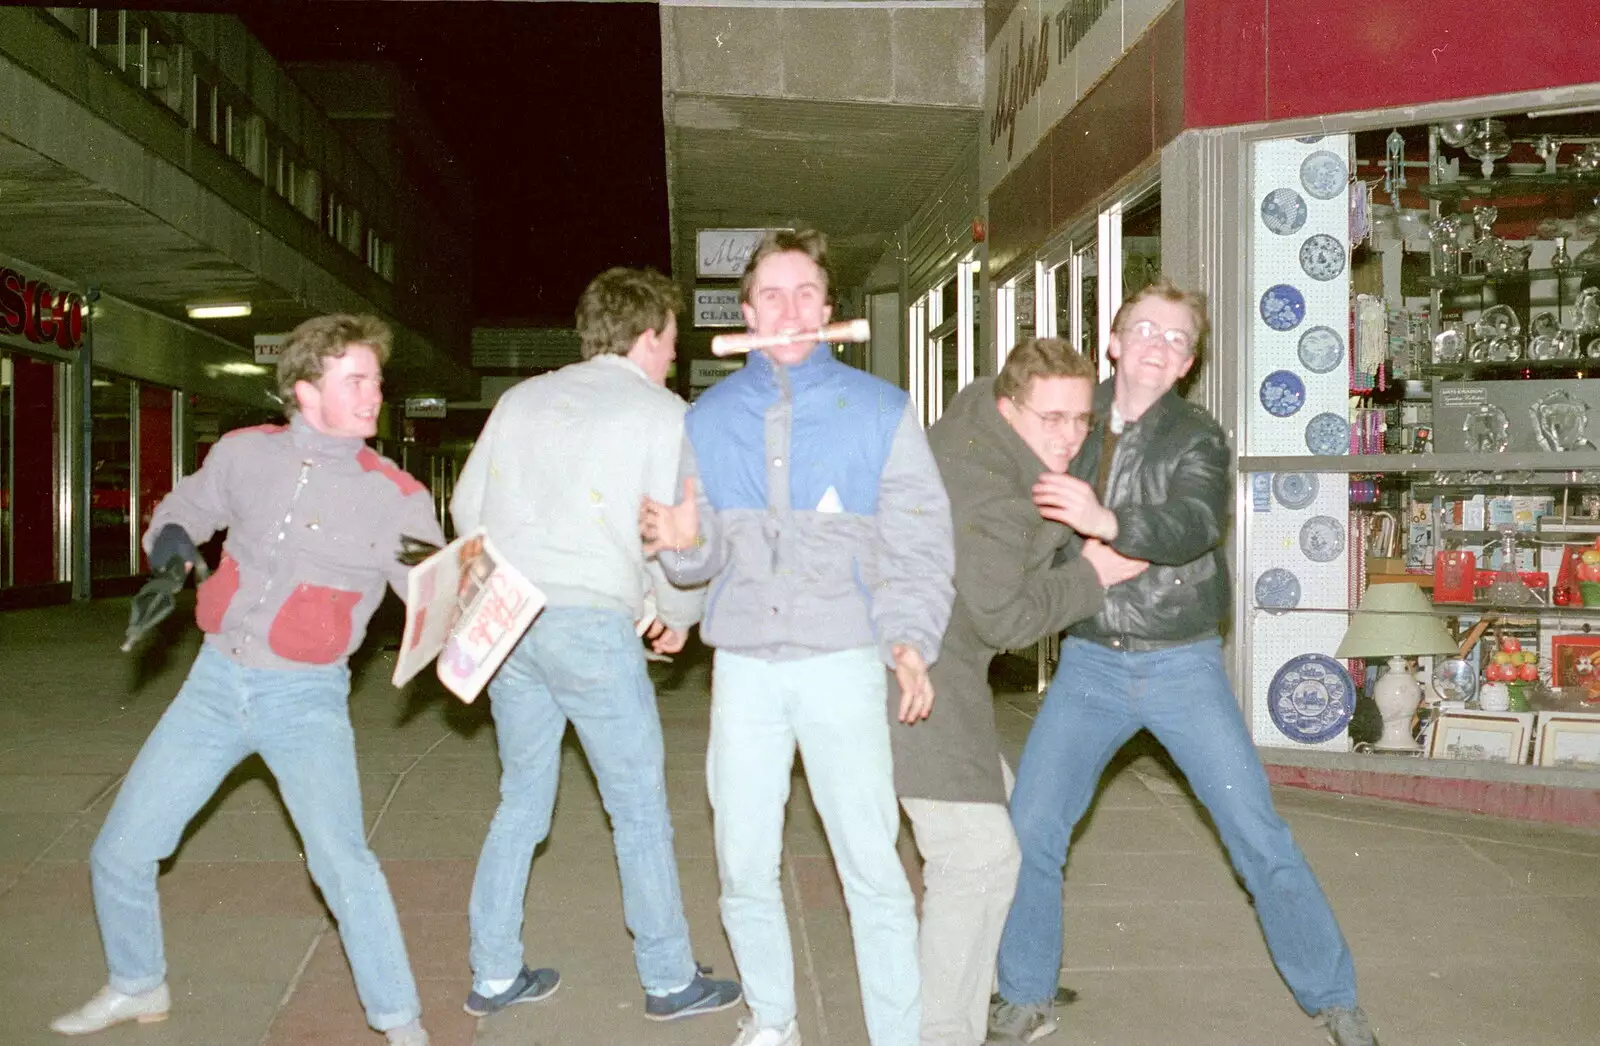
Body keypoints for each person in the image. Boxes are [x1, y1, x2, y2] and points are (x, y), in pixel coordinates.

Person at [986, 281, 1378, 1046]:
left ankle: (1335, 999)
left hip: (1180, 664)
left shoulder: (1196, 435)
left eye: (1174, 338)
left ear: (1188, 361)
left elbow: (1193, 522)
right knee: (1030, 828)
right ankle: (1024, 993)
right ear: (1113, 339)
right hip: (1091, 664)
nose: (1156, 345)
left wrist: (1110, 521)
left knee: (1257, 835)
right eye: (1144, 329)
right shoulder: (1071, 415)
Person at [52, 314, 442, 1044]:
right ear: (304, 388)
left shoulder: (396, 496)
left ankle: (401, 1025)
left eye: (377, 381)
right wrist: (171, 552)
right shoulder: (243, 454)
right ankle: (138, 983)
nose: (374, 394)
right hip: (213, 685)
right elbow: (185, 510)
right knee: (120, 850)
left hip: (305, 697)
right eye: (355, 379)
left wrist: (470, 618)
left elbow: (437, 589)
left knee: (344, 866)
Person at [641, 229, 955, 1046]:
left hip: (843, 665)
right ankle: (772, 1020)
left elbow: (919, 547)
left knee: (872, 867)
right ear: (745, 313)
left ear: (828, 309)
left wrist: (910, 639)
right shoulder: (707, 418)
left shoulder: (880, 412)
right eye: (771, 296)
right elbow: (698, 562)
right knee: (744, 864)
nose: (788, 309)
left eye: (805, 293)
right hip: (744, 668)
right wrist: (681, 546)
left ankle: (898, 1034)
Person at [449, 267, 740, 1024]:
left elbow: (466, 507)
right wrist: (676, 612)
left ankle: (493, 972)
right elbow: (671, 530)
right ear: (647, 336)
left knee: (521, 800)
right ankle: (671, 978)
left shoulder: (519, 400)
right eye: (671, 343)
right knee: (639, 807)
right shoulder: (664, 415)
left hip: (511, 622)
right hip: (592, 625)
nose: (674, 358)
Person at [893, 338, 1147, 1046]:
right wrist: (1093, 573)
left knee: (1012, 821)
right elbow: (1003, 617)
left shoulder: (984, 428)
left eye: (1080, 420)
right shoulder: (987, 488)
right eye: (1051, 419)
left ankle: (1006, 982)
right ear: (1010, 407)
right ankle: (942, 1031)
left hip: (932, 666)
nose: (1068, 436)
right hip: (915, 678)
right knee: (975, 858)